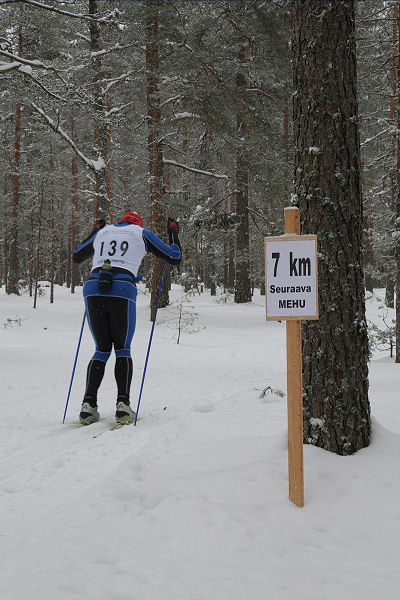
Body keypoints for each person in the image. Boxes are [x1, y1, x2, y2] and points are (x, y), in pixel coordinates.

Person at [72, 212, 181, 424]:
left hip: (93, 289)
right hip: (122, 288)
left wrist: (93, 232)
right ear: (137, 223)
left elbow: (77, 255)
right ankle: (123, 405)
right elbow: (174, 257)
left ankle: (88, 405)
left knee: (101, 349)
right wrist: (173, 233)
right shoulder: (142, 233)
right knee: (122, 348)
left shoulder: (104, 231)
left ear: (120, 222)